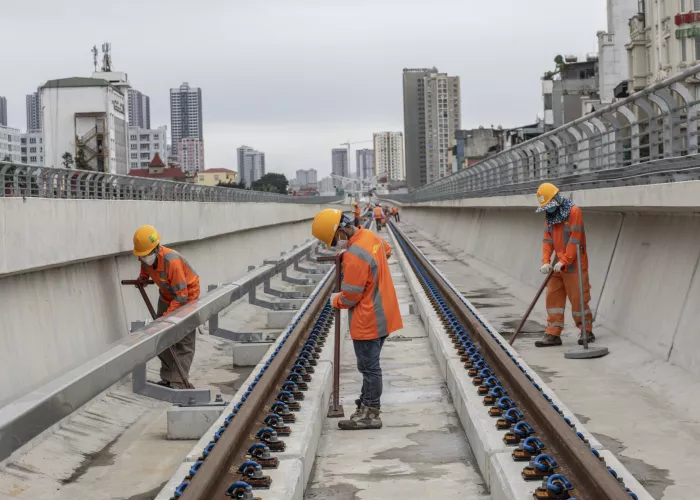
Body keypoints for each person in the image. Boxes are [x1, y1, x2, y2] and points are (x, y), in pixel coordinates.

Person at [311, 209, 403, 430]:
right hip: (385, 313)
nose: (336, 245)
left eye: (335, 240)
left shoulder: (355, 255)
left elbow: (351, 296)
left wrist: (335, 300)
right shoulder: (371, 238)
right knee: (370, 366)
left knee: (369, 368)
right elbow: (386, 251)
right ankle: (365, 406)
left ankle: (370, 414)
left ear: (342, 231)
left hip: (368, 318)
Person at [133, 225, 201, 387]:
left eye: (148, 255)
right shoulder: (146, 258)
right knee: (161, 337)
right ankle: (168, 377)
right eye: (142, 256)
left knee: (184, 342)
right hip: (166, 295)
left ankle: (178, 381)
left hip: (187, 298)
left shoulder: (172, 262)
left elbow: (181, 296)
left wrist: (166, 318)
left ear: (157, 249)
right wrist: (142, 278)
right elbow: (145, 267)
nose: (145, 258)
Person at [535, 183, 593, 347]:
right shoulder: (550, 216)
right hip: (556, 265)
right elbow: (547, 241)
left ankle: (586, 331)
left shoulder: (574, 212)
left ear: (556, 199)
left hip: (574, 264)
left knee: (578, 300)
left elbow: (575, 240)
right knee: (553, 298)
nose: (548, 209)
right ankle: (553, 334)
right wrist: (546, 261)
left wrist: (565, 260)